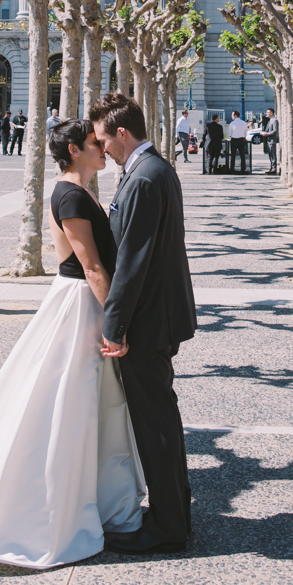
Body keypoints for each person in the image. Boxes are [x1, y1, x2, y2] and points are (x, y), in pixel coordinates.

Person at [0, 117, 144, 566]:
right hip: (80, 303)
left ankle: (91, 496)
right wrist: (117, 323)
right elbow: (91, 267)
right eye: (96, 143)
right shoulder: (71, 194)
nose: (104, 149)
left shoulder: (81, 191)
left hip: (82, 303)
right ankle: (49, 509)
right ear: (75, 149)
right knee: (68, 404)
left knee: (85, 403)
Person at [89, 92, 196, 555]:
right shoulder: (154, 171)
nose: (102, 148)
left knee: (155, 425)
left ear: (122, 133)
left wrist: (114, 327)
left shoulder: (144, 179)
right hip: (160, 316)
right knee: (161, 420)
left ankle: (169, 526)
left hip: (149, 322)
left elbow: (132, 263)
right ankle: (173, 511)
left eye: (103, 139)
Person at [226, 110, 248, 174]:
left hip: (234, 140)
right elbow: (245, 133)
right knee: (242, 155)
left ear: (235, 115)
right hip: (241, 139)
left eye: (232, 115)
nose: (231, 116)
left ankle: (232, 169)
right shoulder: (243, 123)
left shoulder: (232, 123)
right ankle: (243, 169)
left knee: (233, 155)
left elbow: (229, 134)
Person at [263, 107, 278, 174]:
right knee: (270, 155)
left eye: (268, 112)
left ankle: (274, 169)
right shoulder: (269, 120)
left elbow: (275, 131)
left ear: (271, 113)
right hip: (268, 140)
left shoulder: (274, 120)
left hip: (272, 140)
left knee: (273, 155)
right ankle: (272, 168)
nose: (267, 114)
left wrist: (267, 134)